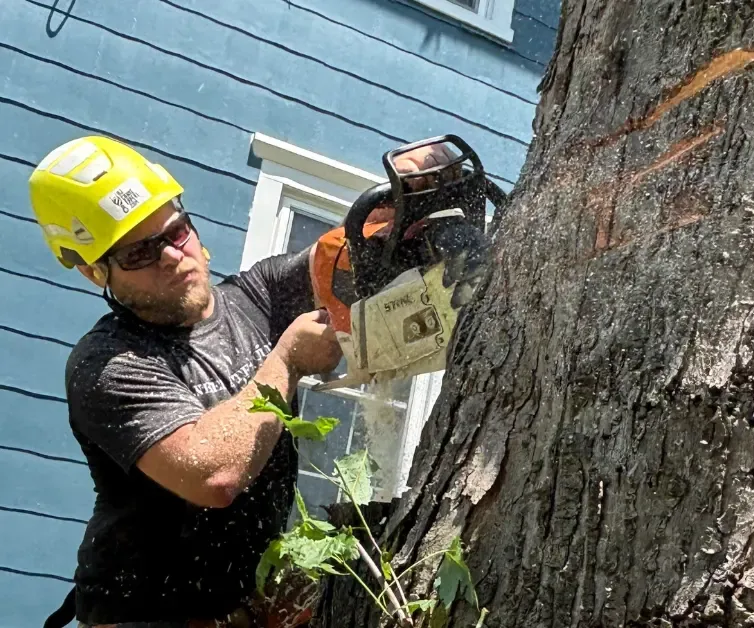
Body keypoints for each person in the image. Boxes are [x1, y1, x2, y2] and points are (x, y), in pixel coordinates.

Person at [28, 136, 455, 628]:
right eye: (139, 253)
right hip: (142, 616)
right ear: (92, 270)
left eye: (176, 232)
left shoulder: (258, 297)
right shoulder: (108, 364)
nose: (171, 255)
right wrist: (287, 362)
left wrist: (403, 199)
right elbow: (214, 475)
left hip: (241, 608)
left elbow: (344, 252)